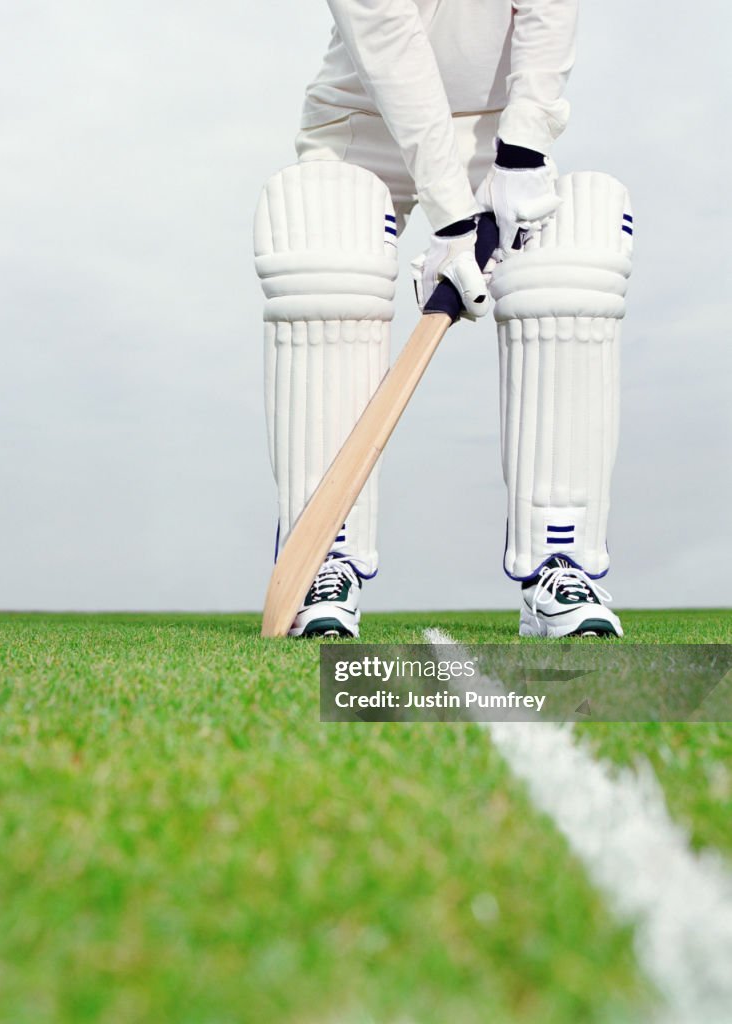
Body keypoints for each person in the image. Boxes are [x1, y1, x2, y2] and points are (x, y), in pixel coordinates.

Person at [254, 0, 633, 638]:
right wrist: (456, 223)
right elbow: (396, 58)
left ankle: (559, 560)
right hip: (369, 115)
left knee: (577, 247)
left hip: (497, 128)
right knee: (325, 228)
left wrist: (522, 149)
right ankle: (325, 556)